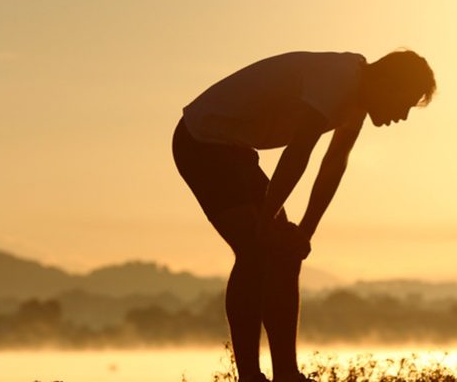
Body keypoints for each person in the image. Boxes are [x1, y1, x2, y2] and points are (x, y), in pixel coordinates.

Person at [172, 49, 435, 382]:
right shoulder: (339, 79)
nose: (403, 116)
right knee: (254, 249)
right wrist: (266, 223)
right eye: (405, 103)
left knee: (285, 252)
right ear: (388, 83)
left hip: (234, 150)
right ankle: (249, 377)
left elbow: (334, 164)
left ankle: (286, 374)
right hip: (201, 139)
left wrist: (304, 233)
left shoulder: (356, 98)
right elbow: (300, 150)